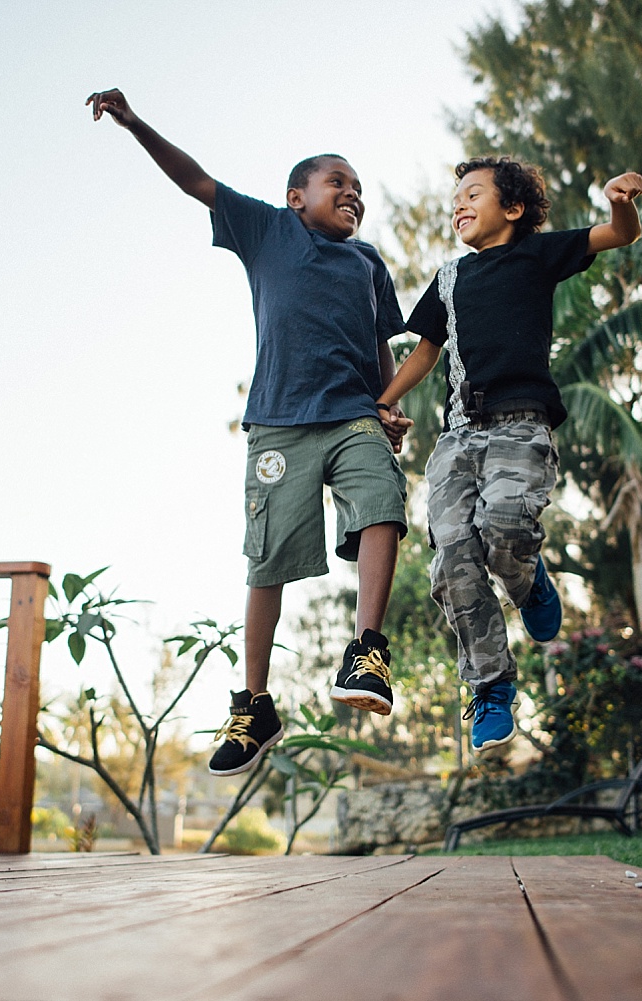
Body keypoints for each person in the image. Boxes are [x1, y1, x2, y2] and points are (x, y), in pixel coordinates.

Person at [87, 88, 409, 776]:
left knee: (383, 500)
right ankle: (254, 703)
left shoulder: (369, 263)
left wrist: (388, 404)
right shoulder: (266, 229)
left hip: (355, 415)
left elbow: (384, 341)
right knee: (267, 562)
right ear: (298, 197)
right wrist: (136, 122)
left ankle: (368, 651)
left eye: (358, 187)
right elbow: (194, 179)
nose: (352, 193)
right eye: (337, 182)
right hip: (278, 427)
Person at [375, 156, 642, 756]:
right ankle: (491, 688)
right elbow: (424, 353)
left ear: (513, 208)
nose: (459, 206)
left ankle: (529, 584)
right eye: (455, 200)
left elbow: (619, 233)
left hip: (521, 426)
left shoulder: (538, 255)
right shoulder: (448, 279)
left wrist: (620, 199)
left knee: (503, 529)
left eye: (474, 195)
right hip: (457, 437)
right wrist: (382, 403)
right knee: (453, 558)